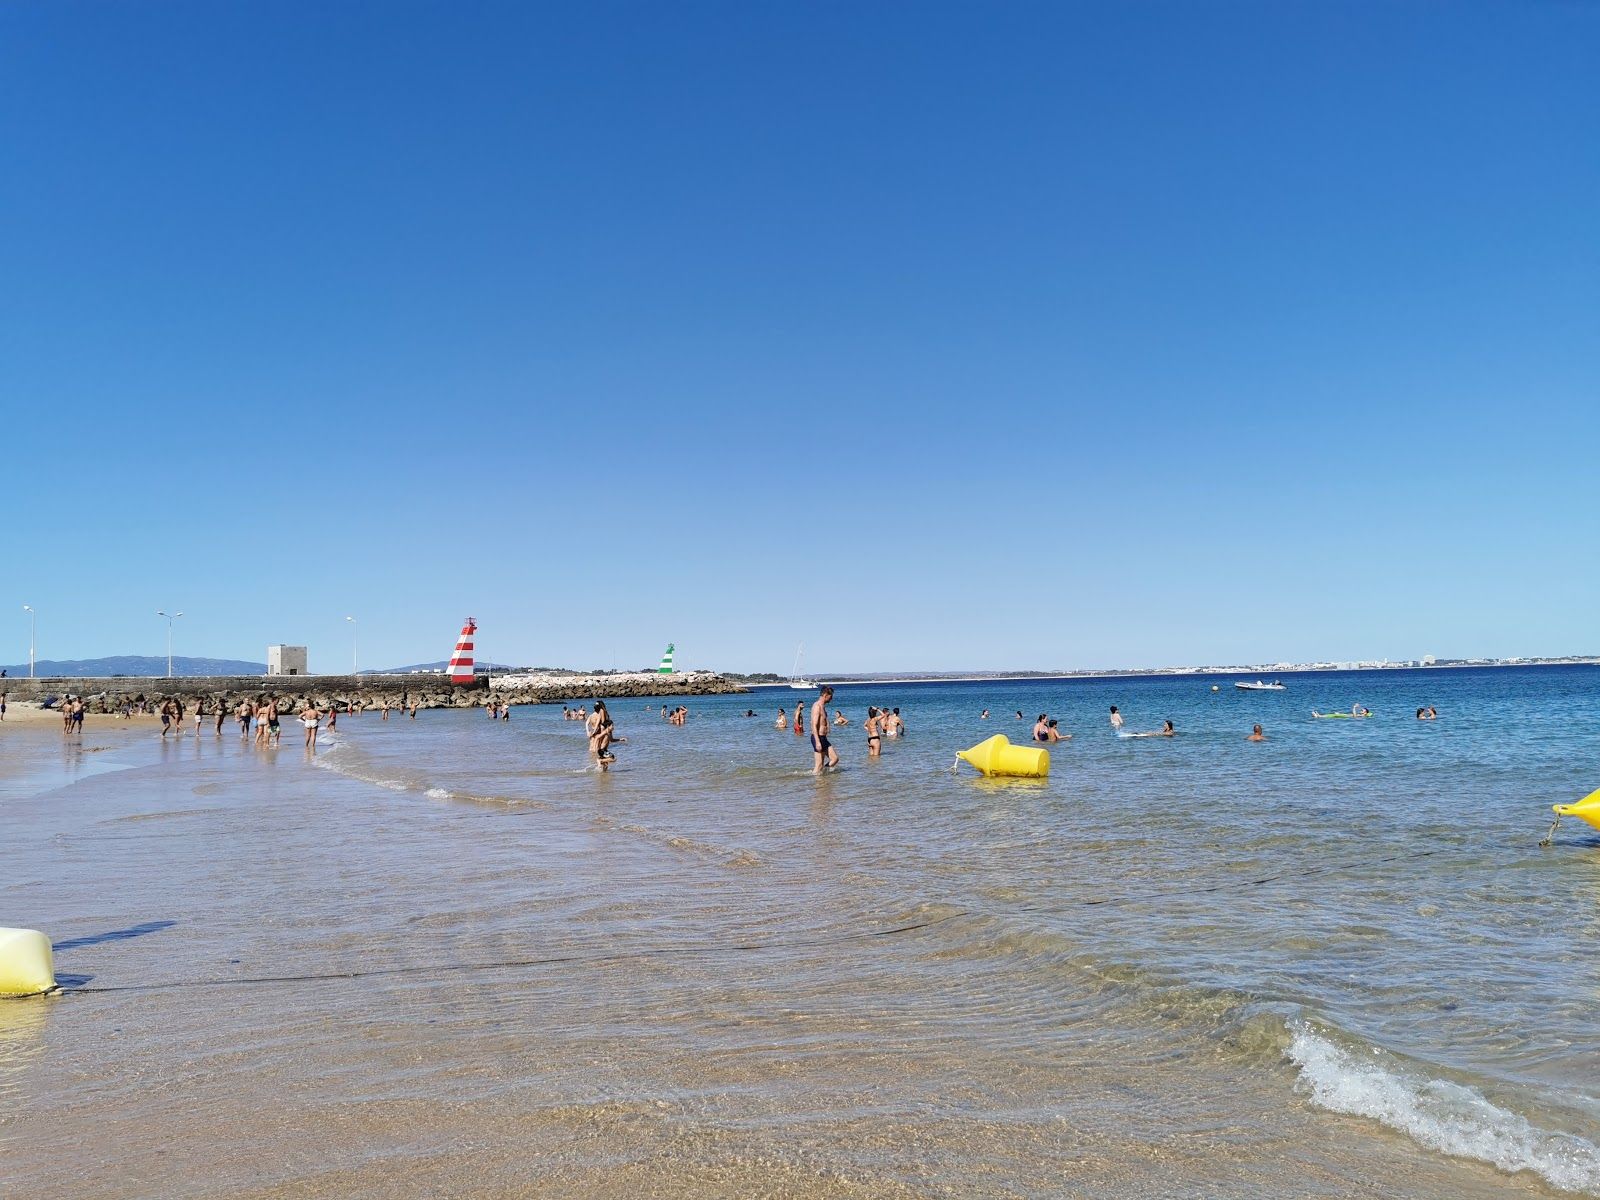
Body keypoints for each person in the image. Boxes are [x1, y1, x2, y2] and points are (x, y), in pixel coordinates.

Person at [810, 686, 839, 773]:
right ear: (825, 695)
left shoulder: (823, 706)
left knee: (835, 759)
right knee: (819, 765)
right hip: (817, 737)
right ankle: (817, 780)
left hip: (823, 738)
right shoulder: (817, 706)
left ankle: (823, 775)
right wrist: (817, 741)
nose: (831, 699)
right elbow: (814, 725)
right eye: (831, 696)